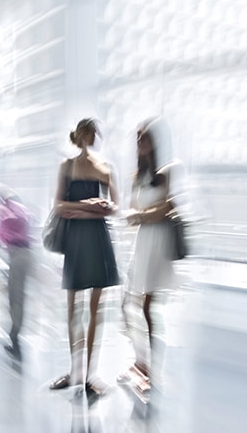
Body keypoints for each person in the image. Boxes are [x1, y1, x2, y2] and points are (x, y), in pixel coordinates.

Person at [49, 118, 120, 398]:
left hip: (97, 239)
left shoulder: (106, 167)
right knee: (73, 309)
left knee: (95, 311)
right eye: (89, 131)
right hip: (77, 240)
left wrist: (83, 211)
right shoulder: (66, 166)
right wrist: (90, 206)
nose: (92, 135)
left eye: (95, 131)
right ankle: (75, 371)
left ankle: (90, 374)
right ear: (80, 134)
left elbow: (114, 207)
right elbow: (58, 205)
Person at [119, 118, 180, 396]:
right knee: (127, 307)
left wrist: (141, 215)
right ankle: (141, 363)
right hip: (142, 245)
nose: (139, 143)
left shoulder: (166, 173)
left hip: (157, 246)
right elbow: (133, 212)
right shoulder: (137, 177)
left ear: (154, 141)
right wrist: (143, 214)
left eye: (143, 138)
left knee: (148, 310)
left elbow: (158, 211)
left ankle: (152, 372)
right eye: (137, 139)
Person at [0, 184, 33, 360]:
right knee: (18, 297)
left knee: (14, 297)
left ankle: (14, 336)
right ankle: (15, 333)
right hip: (25, 254)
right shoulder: (23, 211)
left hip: (16, 255)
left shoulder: (4, 210)